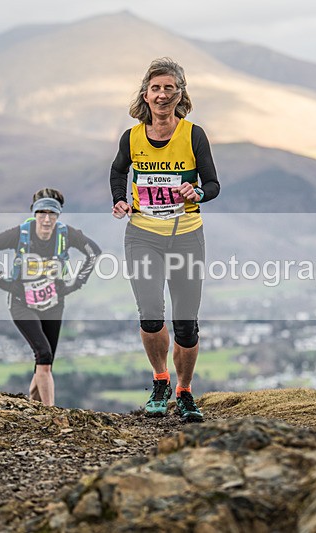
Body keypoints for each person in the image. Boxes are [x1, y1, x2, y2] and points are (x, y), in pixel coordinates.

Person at [110, 58, 220, 423]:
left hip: (187, 237)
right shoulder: (132, 137)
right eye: (155, 88)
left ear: (179, 94)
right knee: (151, 315)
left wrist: (197, 192)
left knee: (186, 324)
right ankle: (160, 381)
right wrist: (119, 199)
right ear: (146, 94)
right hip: (143, 236)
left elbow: (214, 185)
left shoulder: (194, 135)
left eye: (168, 88)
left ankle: (185, 391)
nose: (161, 94)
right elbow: (118, 170)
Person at [0, 188, 101, 406]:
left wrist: (76, 284)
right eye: (41, 213)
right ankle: (51, 414)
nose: (46, 219)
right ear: (34, 214)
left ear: (58, 216)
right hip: (22, 304)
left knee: (45, 362)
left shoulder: (67, 234)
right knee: (43, 354)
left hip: (53, 305)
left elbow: (94, 252)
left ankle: (33, 408)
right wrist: (4, 284)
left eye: (52, 214)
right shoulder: (21, 234)